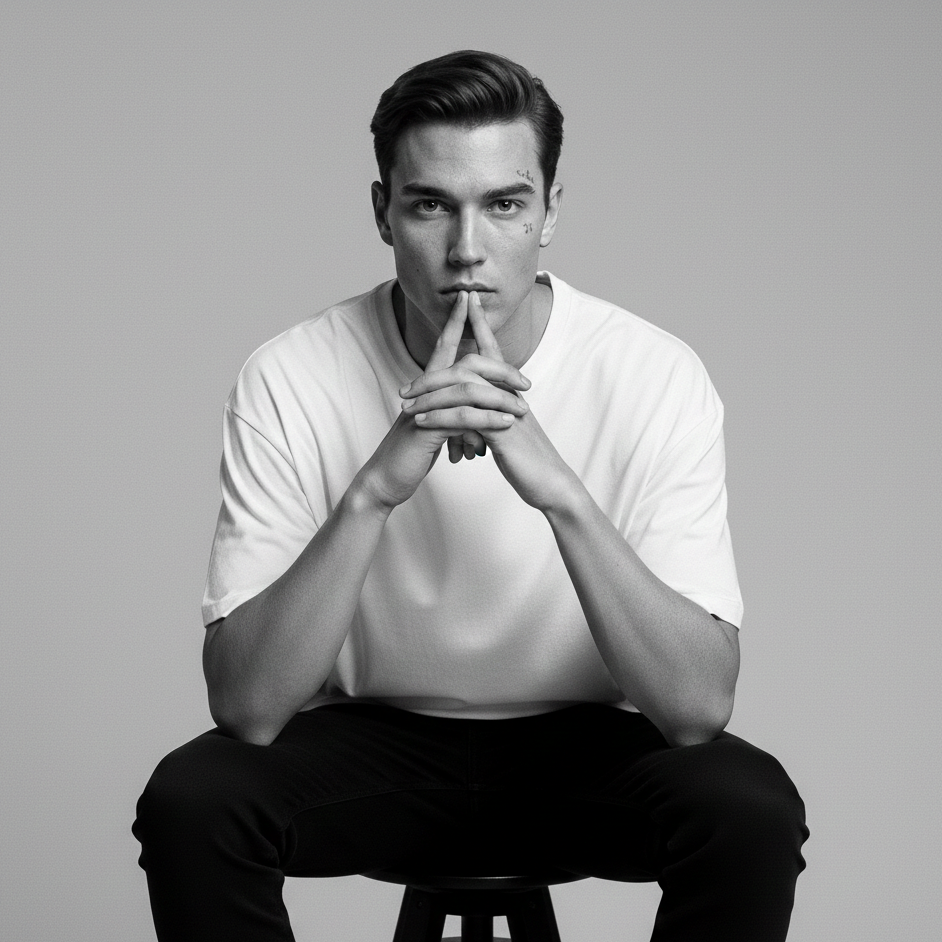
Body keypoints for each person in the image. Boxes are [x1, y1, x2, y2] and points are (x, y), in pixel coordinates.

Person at [134, 50, 808, 941]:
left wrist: (558, 492)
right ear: (383, 213)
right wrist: (377, 486)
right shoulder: (290, 374)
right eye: (429, 205)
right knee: (193, 801)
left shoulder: (653, 373)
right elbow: (250, 711)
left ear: (551, 212)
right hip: (376, 741)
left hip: (579, 750)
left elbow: (694, 711)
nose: (466, 248)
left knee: (750, 809)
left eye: (504, 204)